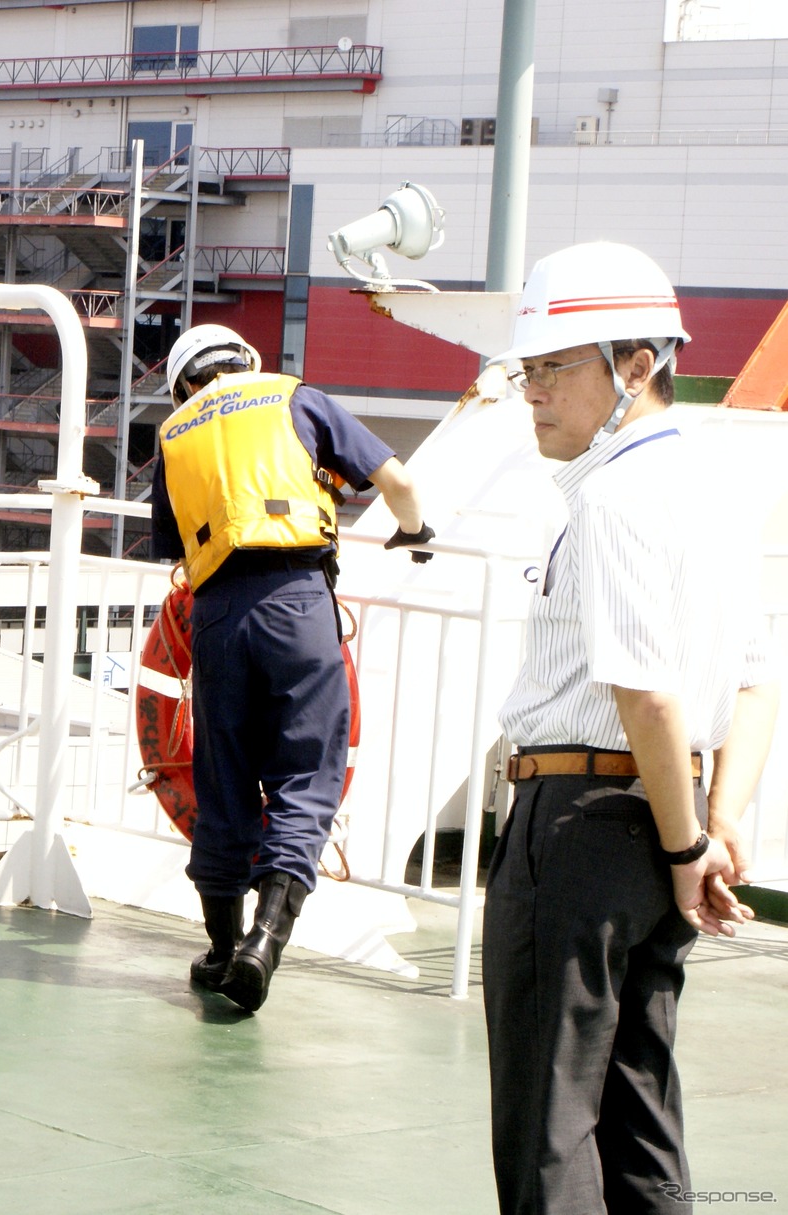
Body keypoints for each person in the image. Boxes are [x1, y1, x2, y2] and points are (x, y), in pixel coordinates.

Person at [485, 241, 779, 1214]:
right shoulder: (719, 492)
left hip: (575, 827)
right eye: (527, 370)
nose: (533, 392)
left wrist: (691, 839)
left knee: (548, 1123)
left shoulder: (612, 499)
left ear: (636, 368)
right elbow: (754, 679)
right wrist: (712, 825)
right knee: (638, 1109)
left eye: (555, 368)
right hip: (662, 818)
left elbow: (644, 692)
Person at [148, 323, 430, 1012]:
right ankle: (265, 943)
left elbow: (172, 546)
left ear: (184, 383)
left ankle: (220, 950)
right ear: (244, 361)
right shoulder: (293, 397)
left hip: (216, 615)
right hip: (297, 601)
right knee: (305, 773)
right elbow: (396, 480)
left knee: (223, 778)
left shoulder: (175, 431)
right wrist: (416, 533)